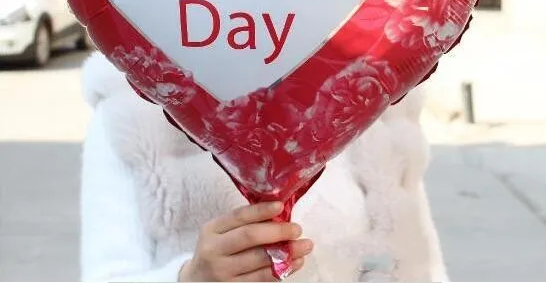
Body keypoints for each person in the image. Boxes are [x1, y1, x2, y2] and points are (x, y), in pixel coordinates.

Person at [80, 52, 448, 282]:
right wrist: (191, 278)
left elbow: (422, 263)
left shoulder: (378, 97)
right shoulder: (139, 109)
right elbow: (108, 273)